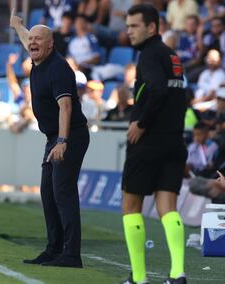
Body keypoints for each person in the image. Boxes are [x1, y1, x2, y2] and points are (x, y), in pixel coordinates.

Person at [10, 9, 89, 268]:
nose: (32, 42)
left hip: (70, 135)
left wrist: (62, 142)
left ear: (51, 44)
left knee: (63, 192)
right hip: (53, 137)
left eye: (38, 39)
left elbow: (65, 107)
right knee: (48, 192)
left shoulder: (58, 68)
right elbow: (27, 39)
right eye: (30, 39)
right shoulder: (38, 58)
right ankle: (53, 250)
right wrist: (16, 26)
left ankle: (71, 255)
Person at [121, 4, 188, 284]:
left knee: (130, 208)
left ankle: (138, 279)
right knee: (168, 209)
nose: (129, 31)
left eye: (134, 26)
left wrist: (141, 123)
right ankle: (177, 274)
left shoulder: (149, 55)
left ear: (151, 27)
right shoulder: (172, 56)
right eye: (127, 26)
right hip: (174, 141)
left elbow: (157, 89)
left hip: (149, 143)